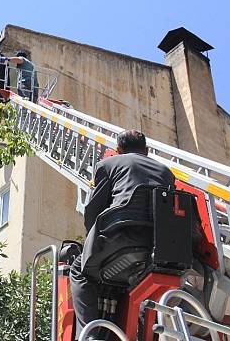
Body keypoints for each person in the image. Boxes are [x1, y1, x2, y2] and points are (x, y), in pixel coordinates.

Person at [69, 130, 176, 340]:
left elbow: (93, 211)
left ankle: (89, 334)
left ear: (118, 151)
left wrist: (93, 244)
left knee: (78, 269)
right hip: (161, 246)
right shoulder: (166, 172)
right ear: (146, 151)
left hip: (121, 241)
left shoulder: (108, 165)